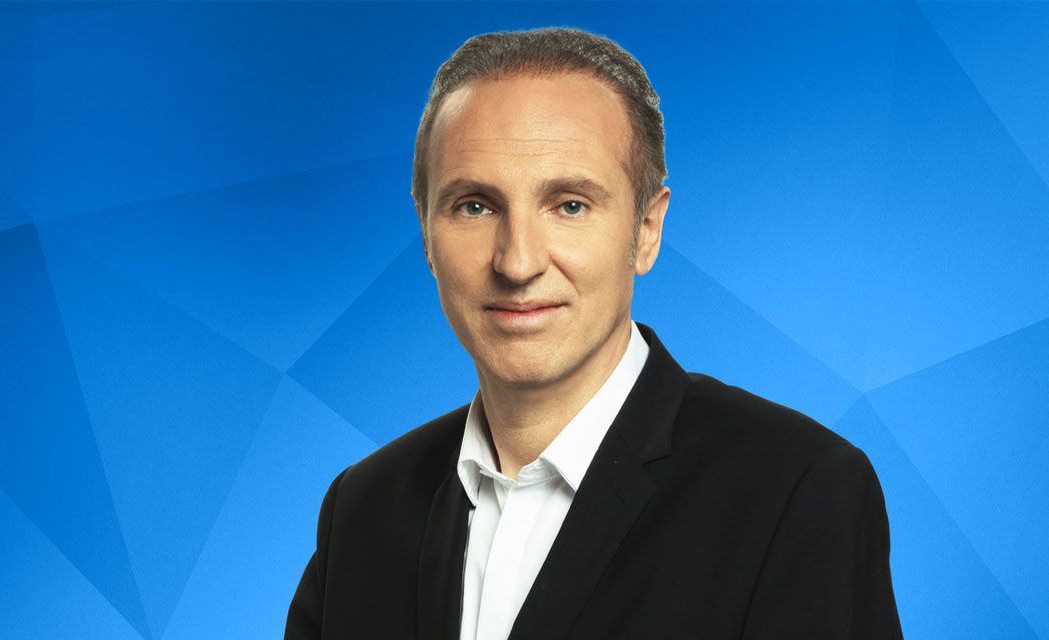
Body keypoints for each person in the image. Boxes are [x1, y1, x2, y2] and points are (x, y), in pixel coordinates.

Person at [284, 26, 902, 640]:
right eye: (475, 205)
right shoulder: (362, 509)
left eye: (570, 205)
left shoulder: (796, 490)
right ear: (426, 232)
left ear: (646, 230)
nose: (518, 262)